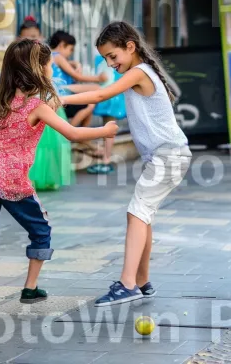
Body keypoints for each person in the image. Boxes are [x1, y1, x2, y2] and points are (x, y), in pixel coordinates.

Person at [0, 39, 118, 331]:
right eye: (49, 64)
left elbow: (69, 94)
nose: (51, 68)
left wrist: (98, 91)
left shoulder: (3, 100)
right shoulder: (39, 106)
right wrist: (105, 130)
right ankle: (30, 288)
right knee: (41, 229)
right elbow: (71, 133)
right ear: (41, 68)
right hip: (10, 182)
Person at [62, 21, 191, 306]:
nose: (110, 64)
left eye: (112, 56)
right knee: (143, 216)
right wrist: (63, 91)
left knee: (136, 213)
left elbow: (99, 94)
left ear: (130, 47)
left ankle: (127, 284)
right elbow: (96, 86)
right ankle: (142, 281)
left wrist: (59, 99)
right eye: (106, 58)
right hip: (168, 155)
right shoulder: (137, 72)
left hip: (168, 155)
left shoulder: (139, 72)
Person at [50, 31, 119, 175]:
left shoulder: (52, 58)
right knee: (93, 93)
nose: (70, 54)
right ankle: (70, 132)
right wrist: (98, 78)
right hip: (60, 92)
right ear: (62, 45)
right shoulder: (57, 57)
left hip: (62, 93)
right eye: (70, 50)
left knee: (90, 103)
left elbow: (72, 71)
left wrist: (75, 63)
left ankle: (78, 133)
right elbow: (77, 76)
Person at [18, 17, 75, 191]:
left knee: (52, 145)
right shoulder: (19, 59)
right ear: (19, 39)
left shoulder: (45, 56)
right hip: (32, 110)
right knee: (33, 145)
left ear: (41, 36)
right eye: (26, 37)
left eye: (34, 36)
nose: (30, 40)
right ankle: (30, 179)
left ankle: (47, 177)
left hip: (49, 107)